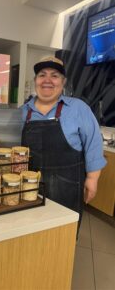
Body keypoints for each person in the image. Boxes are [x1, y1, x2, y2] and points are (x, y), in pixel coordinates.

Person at [21, 56, 106, 228]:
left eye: (54, 75)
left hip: (67, 188)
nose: (47, 80)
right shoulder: (22, 112)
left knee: (62, 238)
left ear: (63, 81)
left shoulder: (78, 108)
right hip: (28, 188)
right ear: (35, 80)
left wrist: (92, 178)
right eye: (42, 75)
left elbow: (93, 144)